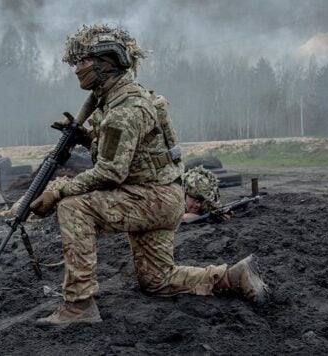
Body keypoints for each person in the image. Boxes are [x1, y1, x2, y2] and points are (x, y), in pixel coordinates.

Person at [29, 24, 269, 327]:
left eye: (83, 61)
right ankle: (233, 276)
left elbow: (110, 171)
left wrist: (59, 191)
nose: (77, 69)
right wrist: (87, 138)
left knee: (74, 208)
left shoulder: (124, 108)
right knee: (156, 280)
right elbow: (128, 153)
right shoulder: (121, 99)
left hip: (150, 198)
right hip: (161, 196)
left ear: (106, 63)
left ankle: (78, 305)